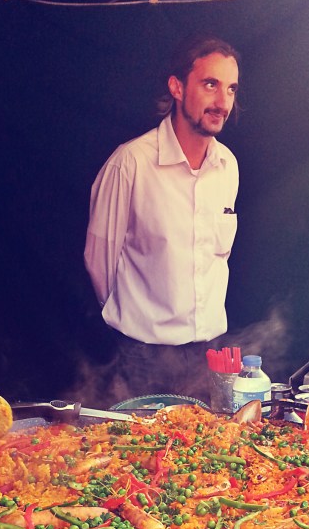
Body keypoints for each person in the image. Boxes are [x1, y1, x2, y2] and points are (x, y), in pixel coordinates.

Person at [84, 35, 240, 401]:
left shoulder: (228, 166)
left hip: (209, 354)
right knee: (139, 454)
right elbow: (98, 262)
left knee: (205, 456)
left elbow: (217, 260)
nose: (222, 102)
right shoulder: (131, 163)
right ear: (177, 87)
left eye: (231, 89)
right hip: (143, 356)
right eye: (210, 84)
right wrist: (134, 317)